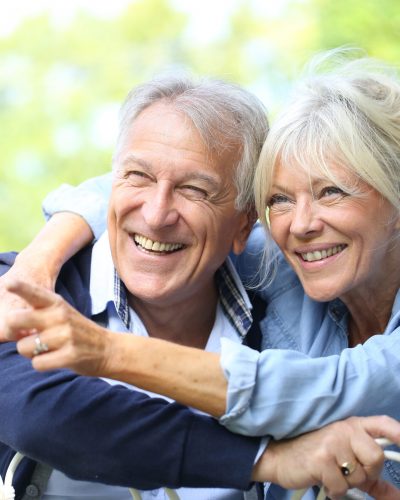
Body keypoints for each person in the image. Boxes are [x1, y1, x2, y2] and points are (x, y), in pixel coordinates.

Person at [2, 55, 400, 499]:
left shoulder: (276, 279)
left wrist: (104, 352)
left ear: (242, 226)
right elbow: (46, 417)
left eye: (332, 192)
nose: (302, 224)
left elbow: (310, 389)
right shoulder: (16, 290)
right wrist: (42, 255)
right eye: (282, 199)